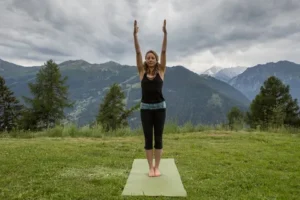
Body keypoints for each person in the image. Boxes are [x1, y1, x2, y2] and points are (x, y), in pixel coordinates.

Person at [133, 19, 167, 177]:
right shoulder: (142, 73)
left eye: (153, 57)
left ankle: (157, 167)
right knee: (148, 138)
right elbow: (138, 53)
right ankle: (150, 167)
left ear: (156, 60)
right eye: (148, 57)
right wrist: (135, 36)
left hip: (160, 108)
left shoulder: (161, 72)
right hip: (145, 109)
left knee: (158, 138)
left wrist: (165, 35)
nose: (150, 59)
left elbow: (164, 52)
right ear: (146, 60)